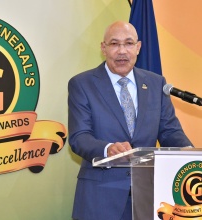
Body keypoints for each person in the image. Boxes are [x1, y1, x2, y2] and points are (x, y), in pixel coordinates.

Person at [68, 21, 193, 220]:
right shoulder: (82, 84)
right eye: (114, 44)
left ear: (138, 47)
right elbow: (79, 137)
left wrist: (189, 154)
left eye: (128, 43)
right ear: (103, 48)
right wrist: (107, 148)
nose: (122, 51)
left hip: (149, 196)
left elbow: (169, 131)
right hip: (100, 198)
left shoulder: (155, 83)